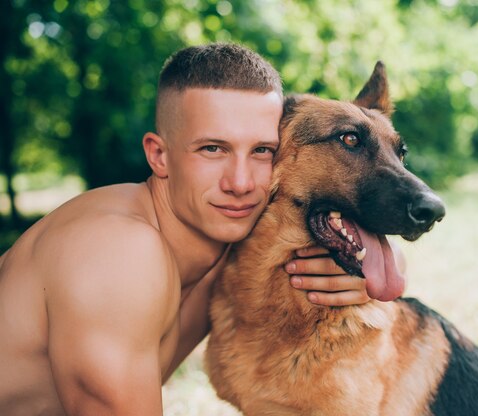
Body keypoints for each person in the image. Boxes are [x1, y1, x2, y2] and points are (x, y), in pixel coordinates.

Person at [0, 43, 373, 415]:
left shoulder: (225, 239)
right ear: (159, 155)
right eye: (213, 149)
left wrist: (372, 265)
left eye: (261, 150)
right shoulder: (120, 253)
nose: (240, 183)